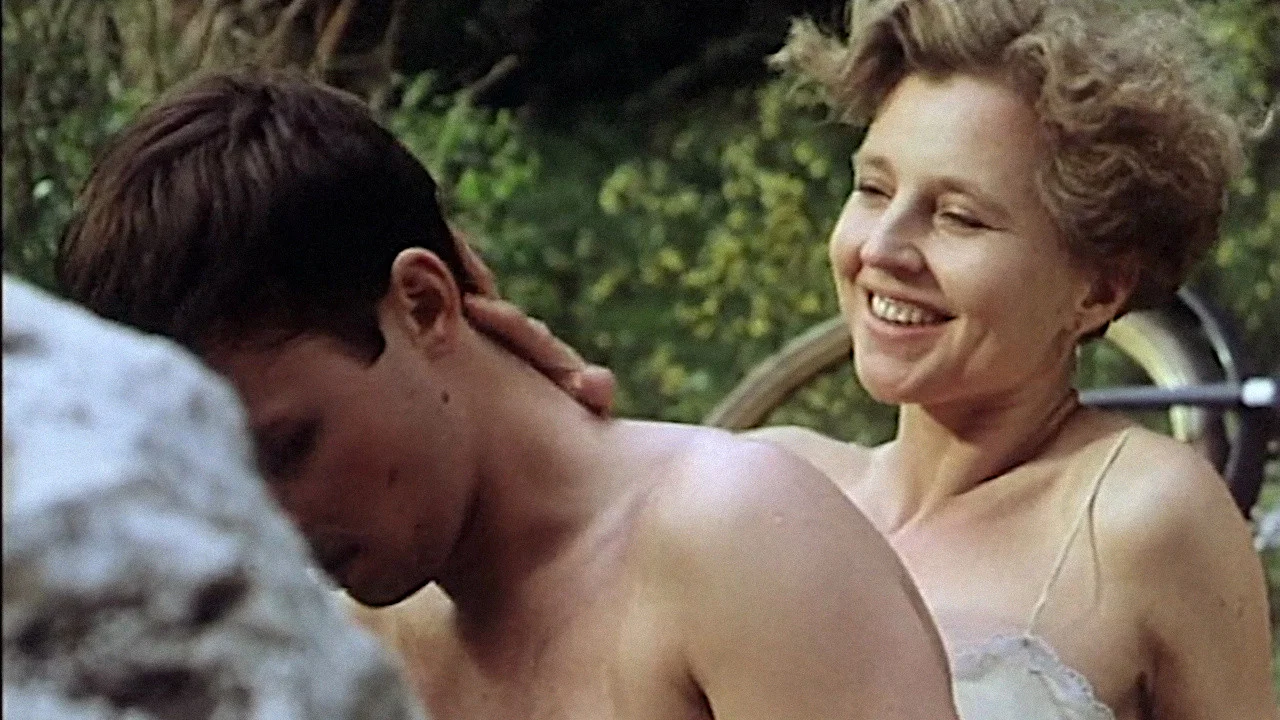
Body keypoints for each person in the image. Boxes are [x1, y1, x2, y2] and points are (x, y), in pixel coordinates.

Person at [54, 70, 962, 720]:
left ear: (423, 303)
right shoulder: (341, 634)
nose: (266, 525)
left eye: (290, 449)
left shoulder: (732, 541)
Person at [462, 0, 1279, 718]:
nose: (883, 249)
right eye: (873, 190)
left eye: (959, 217)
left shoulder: (1147, 513)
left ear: (1098, 290)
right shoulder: (772, 481)